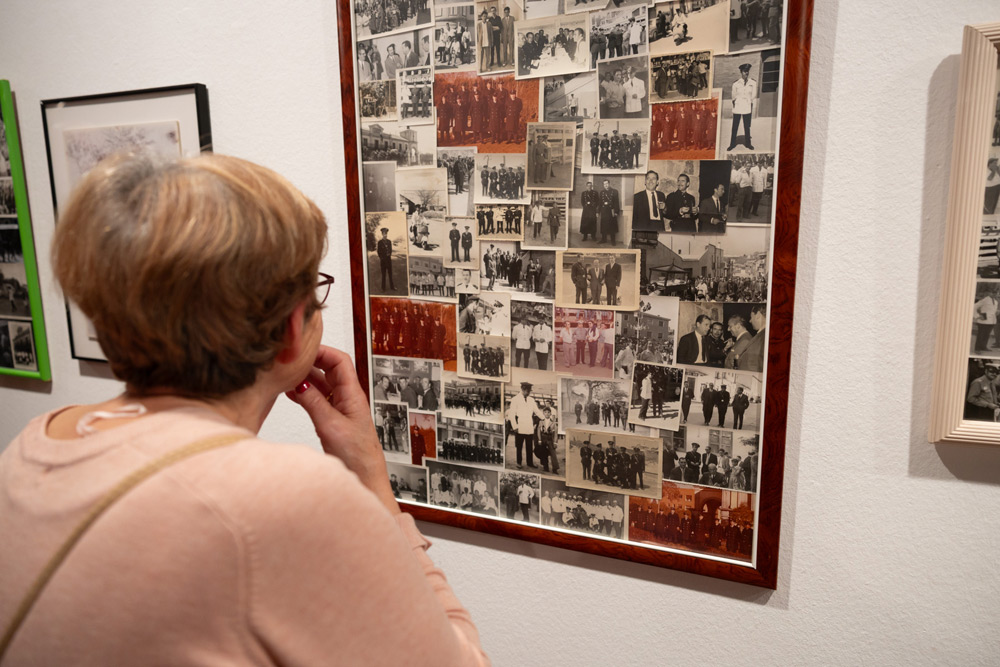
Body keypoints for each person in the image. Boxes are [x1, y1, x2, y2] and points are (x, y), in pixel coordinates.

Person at [0, 153, 488, 665]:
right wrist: (373, 483)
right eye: (313, 291)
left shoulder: (37, 442)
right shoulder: (285, 497)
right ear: (289, 330)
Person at [507, 381, 546, 468]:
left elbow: (537, 411)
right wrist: (515, 426)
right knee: (519, 446)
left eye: (529, 391)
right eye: (527, 391)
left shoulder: (531, 400)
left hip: (529, 427)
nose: (528, 393)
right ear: (522, 389)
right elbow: (511, 414)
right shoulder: (515, 399)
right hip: (519, 427)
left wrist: (545, 419)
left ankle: (530, 462)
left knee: (529, 446)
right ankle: (519, 462)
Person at [728, 63, 757, 151]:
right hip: (738, 106)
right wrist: (736, 103)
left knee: (747, 126)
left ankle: (748, 144)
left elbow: (754, 95)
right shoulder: (736, 83)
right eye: (744, 71)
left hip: (747, 107)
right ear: (741, 72)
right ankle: (732, 144)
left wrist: (748, 102)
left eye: (747, 71)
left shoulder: (753, 83)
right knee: (735, 126)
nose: (746, 73)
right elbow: (733, 96)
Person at [376, 227, 396, 292]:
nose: (385, 235)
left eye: (386, 233)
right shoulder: (380, 242)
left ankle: (392, 287)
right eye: (384, 233)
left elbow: (390, 250)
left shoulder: (389, 242)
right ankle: (383, 288)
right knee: (383, 275)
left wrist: (389, 255)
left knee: (390, 274)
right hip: (383, 261)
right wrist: (382, 258)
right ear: (382, 234)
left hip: (388, 260)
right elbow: (378, 252)